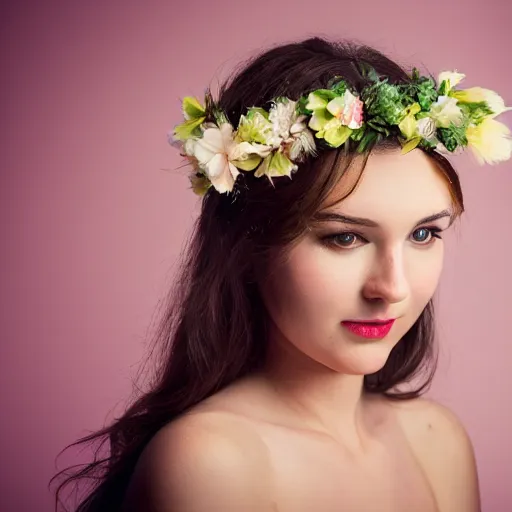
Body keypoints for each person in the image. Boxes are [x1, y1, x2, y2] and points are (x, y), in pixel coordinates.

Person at [51, 37, 512, 512]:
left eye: (423, 235)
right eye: (344, 238)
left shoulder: (438, 442)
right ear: (250, 245)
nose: (392, 288)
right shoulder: (210, 466)